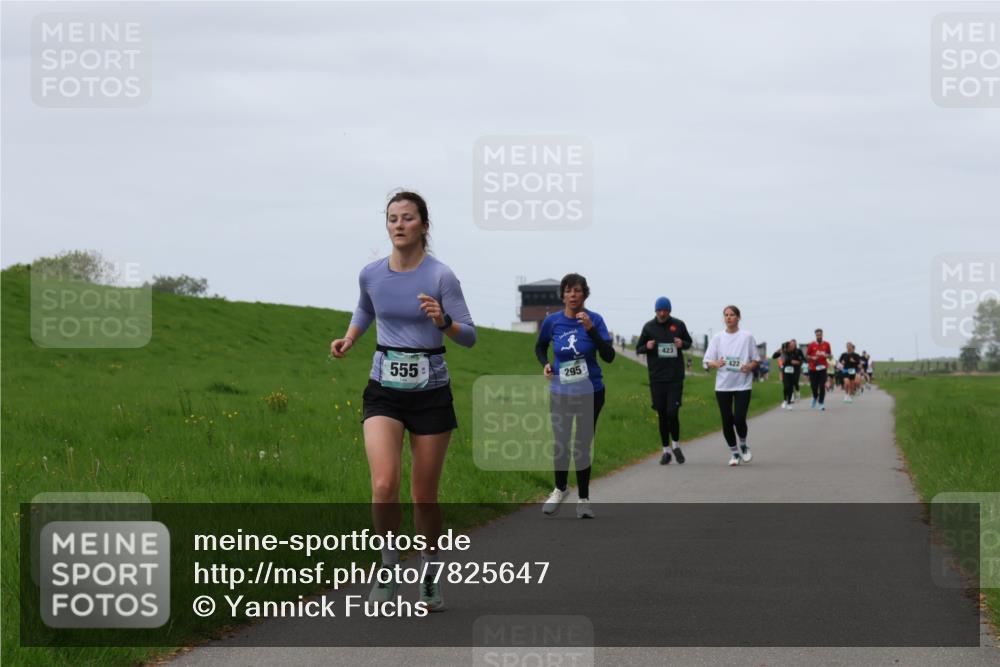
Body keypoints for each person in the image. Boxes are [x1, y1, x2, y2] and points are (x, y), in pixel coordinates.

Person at [330, 191, 476, 612]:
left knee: (424, 496)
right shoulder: (371, 274)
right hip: (384, 389)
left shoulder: (441, 277)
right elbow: (365, 309)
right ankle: (389, 567)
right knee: (383, 485)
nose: (398, 225)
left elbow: (469, 335)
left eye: (408, 218)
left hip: (431, 391)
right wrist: (350, 338)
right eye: (392, 218)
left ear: (424, 226)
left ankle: (430, 573)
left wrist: (444, 322)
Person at [536, 273, 615, 519]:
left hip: (591, 391)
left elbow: (609, 356)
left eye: (578, 290)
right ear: (563, 295)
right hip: (561, 391)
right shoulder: (552, 322)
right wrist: (546, 364)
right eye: (569, 290)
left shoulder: (596, 320)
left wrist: (591, 330)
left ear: (585, 294)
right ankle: (560, 489)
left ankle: (583, 499)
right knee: (560, 443)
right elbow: (540, 347)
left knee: (581, 445)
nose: (573, 295)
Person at [636, 297, 693, 465]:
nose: (662, 313)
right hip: (657, 377)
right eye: (659, 310)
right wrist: (647, 347)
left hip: (675, 377)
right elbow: (639, 348)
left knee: (672, 413)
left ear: (669, 311)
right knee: (661, 414)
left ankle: (676, 445)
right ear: (655, 311)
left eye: (665, 310)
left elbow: (689, 343)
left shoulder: (679, 324)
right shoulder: (649, 327)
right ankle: (666, 451)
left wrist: (682, 343)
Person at [703, 305, 760, 466]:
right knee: (727, 420)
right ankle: (735, 453)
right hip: (723, 386)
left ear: (738, 317)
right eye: (726, 315)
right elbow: (707, 361)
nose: (728, 317)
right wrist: (716, 363)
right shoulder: (717, 338)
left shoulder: (747, 336)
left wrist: (749, 367)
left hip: (743, 384)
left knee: (739, 419)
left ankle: (743, 444)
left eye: (732, 314)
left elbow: (756, 360)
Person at [773, 340, 805, 409]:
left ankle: (789, 403)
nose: (792, 347)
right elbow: (774, 356)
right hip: (785, 372)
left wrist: (797, 362)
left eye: (793, 346)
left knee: (790, 387)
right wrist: (778, 351)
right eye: (790, 346)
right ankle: (785, 400)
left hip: (793, 372)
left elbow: (800, 360)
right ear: (787, 347)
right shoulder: (784, 352)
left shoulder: (796, 352)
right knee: (786, 387)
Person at [806, 328, 832, 410]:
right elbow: (806, 356)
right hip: (813, 368)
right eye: (817, 335)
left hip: (823, 368)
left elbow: (830, 356)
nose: (819, 336)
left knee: (822, 386)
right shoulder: (811, 345)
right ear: (815, 335)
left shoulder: (827, 344)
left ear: (822, 335)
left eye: (820, 334)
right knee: (813, 386)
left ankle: (821, 403)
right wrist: (812, 357)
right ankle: (815, 397)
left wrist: (828, 356)